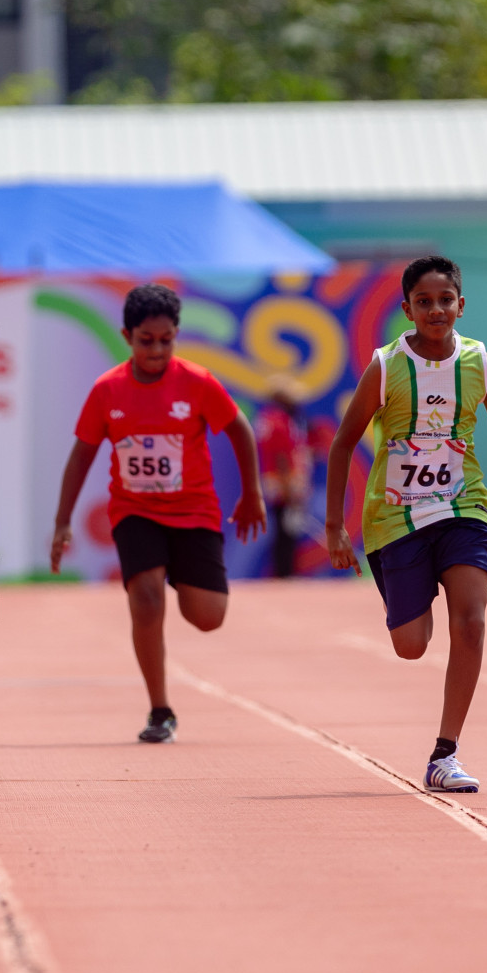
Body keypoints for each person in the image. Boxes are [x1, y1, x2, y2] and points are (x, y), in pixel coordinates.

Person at [325, 256, 487, 793]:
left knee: (472, 621)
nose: (436, 310)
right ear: (406, 308)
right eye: (425, 301)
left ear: (461, 305)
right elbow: (343, 443)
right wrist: (334, 527)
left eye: (446, 300)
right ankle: (413, 594)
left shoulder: (480, 362)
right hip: (397, 517)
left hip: (463, 505)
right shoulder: (385, 367)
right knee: (411, 644)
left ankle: (445, 753)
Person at [49, 283, 267, 743]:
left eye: (166, 339)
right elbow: (82, 455)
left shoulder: (198, 382)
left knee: (208, 617)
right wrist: (62, 521)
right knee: (146, 600)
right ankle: (160, 709)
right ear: (127, 336)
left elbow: (240, 430)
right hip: (136, 510)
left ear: (176, 335)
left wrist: (252, 493)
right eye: (146, 340)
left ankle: (175, 572)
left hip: (193, 510)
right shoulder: (107, 390)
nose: (157, 349)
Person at [254, 380, 312, 577]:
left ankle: (284, 571)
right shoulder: (278, 420)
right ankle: (284, 573)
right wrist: (289, 487)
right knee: (286, 529)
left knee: (284, 527)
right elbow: (280, 456)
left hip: (279, 480)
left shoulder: (269, 419)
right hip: (283, 481)